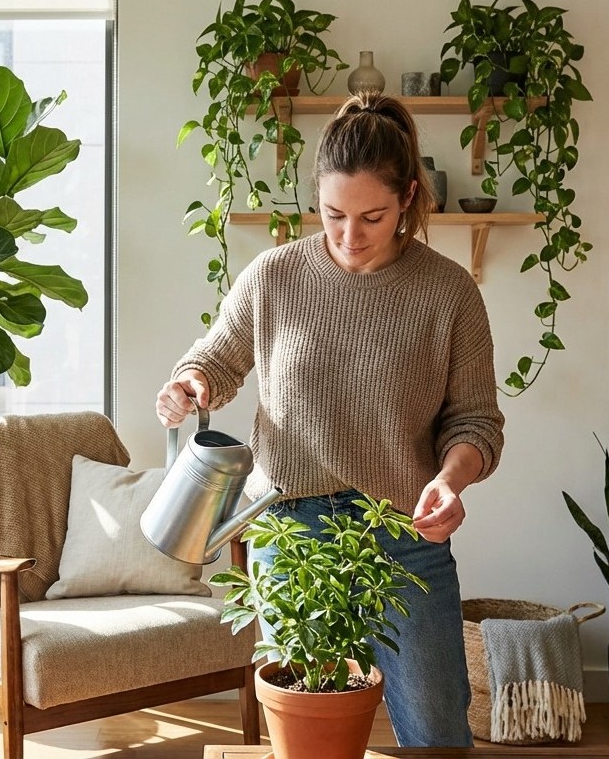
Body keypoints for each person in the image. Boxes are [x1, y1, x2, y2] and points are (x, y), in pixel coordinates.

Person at [154, 91, 505, 747]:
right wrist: (189, 384)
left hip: (404, 532)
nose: (348, 237)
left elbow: (476, 422)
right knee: (311, 731)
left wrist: (451, 480)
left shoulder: (448, 291)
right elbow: (215, 360)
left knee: (434, 729)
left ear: (406, 196)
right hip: (291, 534)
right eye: (332, 214)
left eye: (371, 217)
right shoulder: (274, 276)